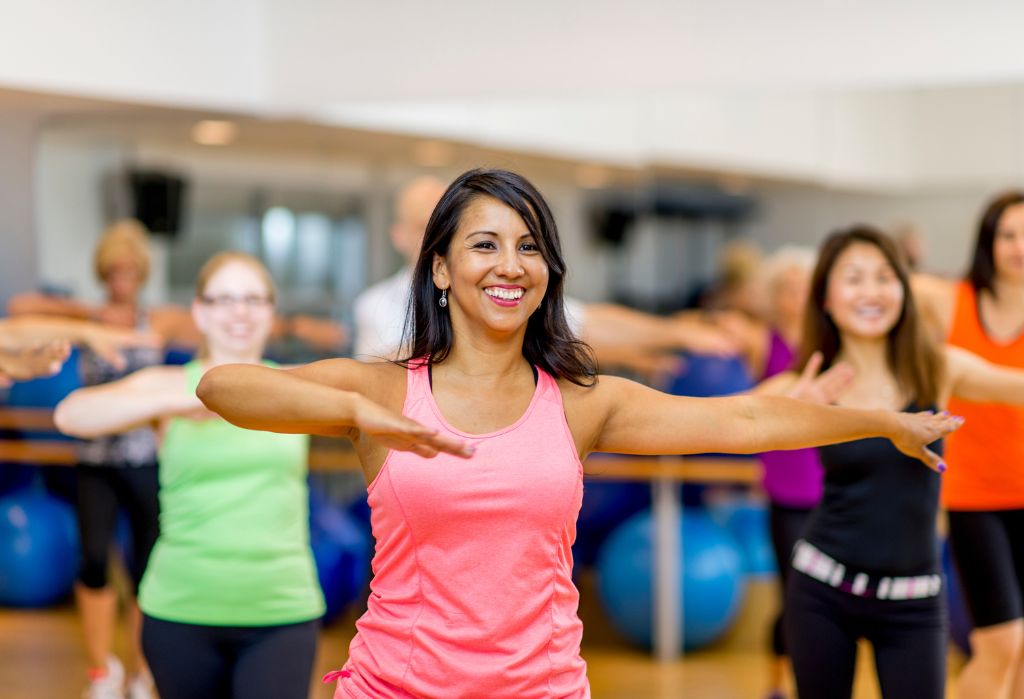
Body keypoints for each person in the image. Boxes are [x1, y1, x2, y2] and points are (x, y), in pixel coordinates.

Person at [195, 169, 960, 699]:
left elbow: (748, 419)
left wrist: (877, 419)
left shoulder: (582, 402)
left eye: (530, 246)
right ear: (439, 268)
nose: (512, 264)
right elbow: (221, 385)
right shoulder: (385, 387)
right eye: (486, 244)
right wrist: (359, 412)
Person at [757, 225, 1024, 699]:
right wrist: (788, 406)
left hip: (914, 600)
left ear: (903, 289)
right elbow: (726, 420)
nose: (872, 291)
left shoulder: (936, 367)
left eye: (884, 277)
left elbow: (1016, 386)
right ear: (826, 298)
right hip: (822, 590)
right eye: (854, 278)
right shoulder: (811, 380)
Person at [54, 252, 325, 699]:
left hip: (283, 610)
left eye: (254, 299)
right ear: (199, 311)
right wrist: (186, 402)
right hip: (180, 611)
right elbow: (71, 415)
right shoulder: (171, 384)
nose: (240, 312)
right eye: (225, 299)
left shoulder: (298, 384)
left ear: (270, 312)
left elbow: (386, 383)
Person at [354, 176, 736, 375]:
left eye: (527, 246)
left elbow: (586, 323)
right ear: (399, 236)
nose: (508, 265)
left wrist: (673, 335)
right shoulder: (376, 304)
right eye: (425, 226)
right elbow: (379, 372)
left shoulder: (509, 293)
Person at [911, 190, 1024, 699]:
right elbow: (888, 284)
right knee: (1000, 643)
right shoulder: (950, 299)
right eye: (1008, 234)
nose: (1020, 246)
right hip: (976, 498)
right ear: (988, 241)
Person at [703, 246, 824, 699]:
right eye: (786, 286)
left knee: (821, 597)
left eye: (803, 286)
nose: (795, 294)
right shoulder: (762, 339)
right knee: (793, 592)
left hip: (828, 489)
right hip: (785, 490)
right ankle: (779, 683)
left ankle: (814, 678)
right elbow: (718, 321)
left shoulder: (826, 341)